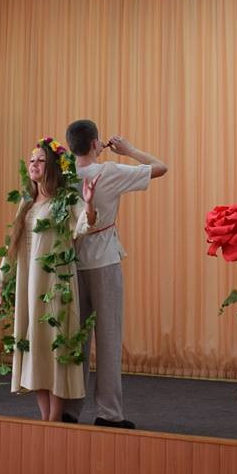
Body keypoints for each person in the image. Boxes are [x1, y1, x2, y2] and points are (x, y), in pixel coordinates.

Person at [61, 119, 167, 428]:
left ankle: (68, 409)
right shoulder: (109, 171)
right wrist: (128, 149)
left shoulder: (63, 177)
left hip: (70, 263)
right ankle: (108, 413)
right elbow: (160, 167)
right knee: (108, 337)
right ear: (96, 144)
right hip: (104, 261)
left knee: (75, 339)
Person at [0, 138, 100, 422]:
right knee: (34, 345)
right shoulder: (26, 203)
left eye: (40, 160)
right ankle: (46, 420)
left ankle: (55, 419)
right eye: (32, 160)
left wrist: (89, 203)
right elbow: (12, 245)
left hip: (55, 283)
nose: (34, 165)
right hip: (29, 284)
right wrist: (2, 280)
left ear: (52, 166)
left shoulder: (65, 200)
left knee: (55, 344)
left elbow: (85, 225)